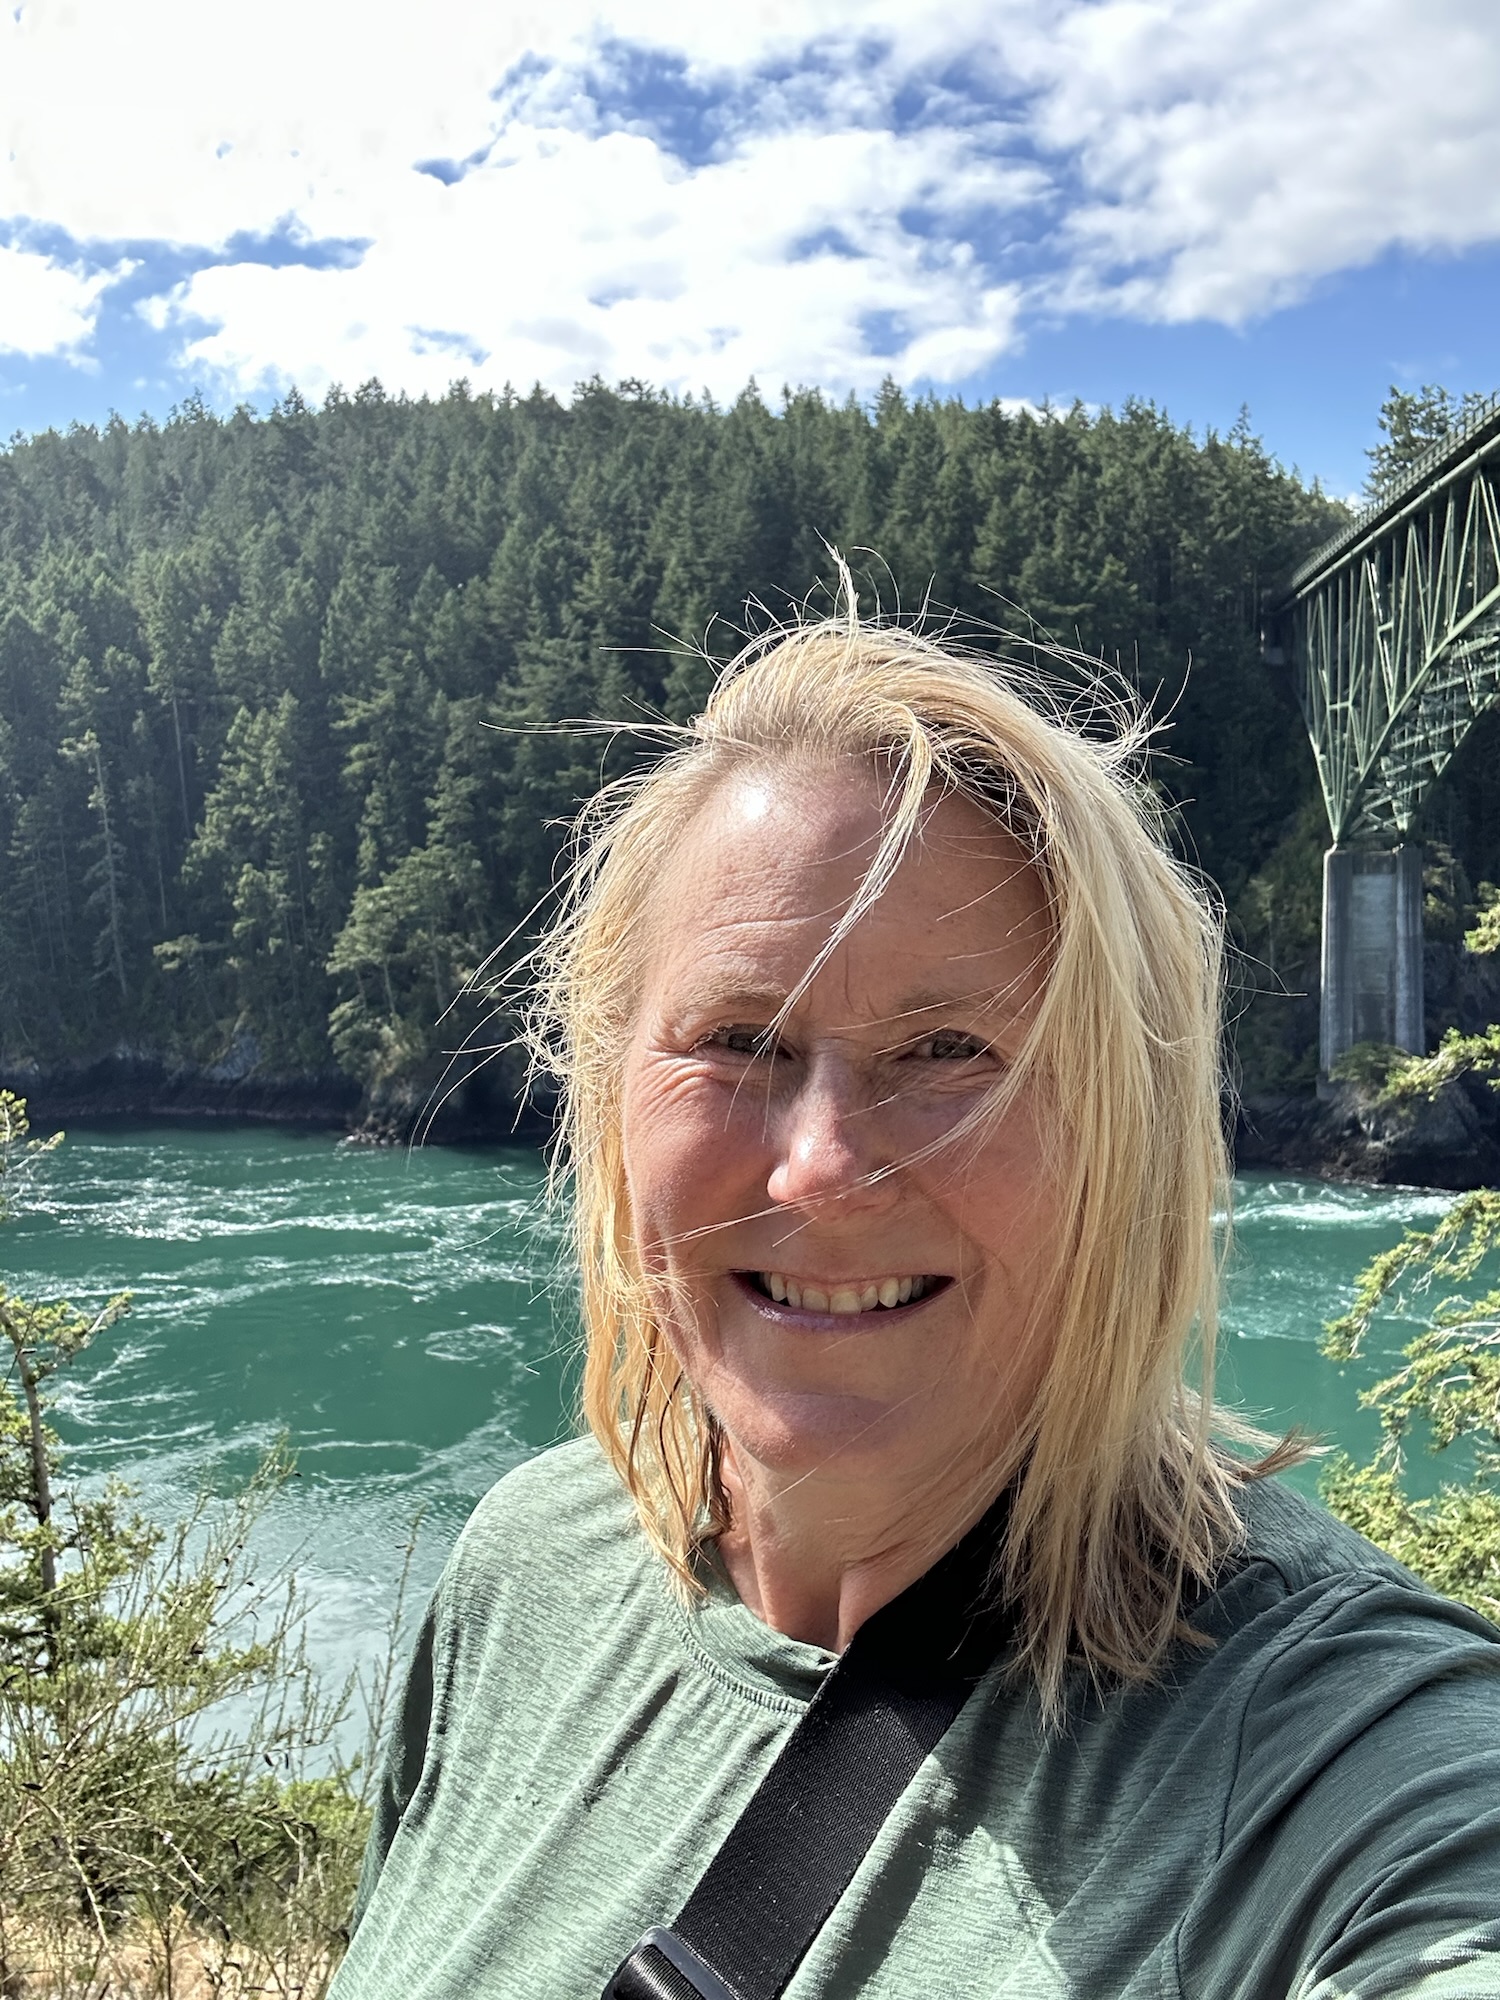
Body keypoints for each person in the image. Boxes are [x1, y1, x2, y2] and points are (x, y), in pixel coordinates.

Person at [330, 611, 1500, 2000]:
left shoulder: (1335, 1756)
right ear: (608, 1092)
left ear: (1127, 1131)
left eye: (949, 1050)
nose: (822, 1168)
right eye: (738, 1041)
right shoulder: (528, 1568)